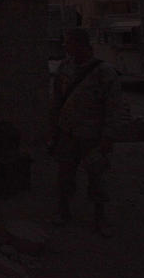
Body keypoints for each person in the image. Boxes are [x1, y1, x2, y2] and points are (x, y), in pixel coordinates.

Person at [49, 28, 121, 237]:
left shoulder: (104, 72)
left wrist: (108, 137)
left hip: (93, 136)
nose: (65, 47)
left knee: (97, 178)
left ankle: (100, 218)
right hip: (68, 133)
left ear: (81, 45)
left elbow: (114, 107)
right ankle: (63, 212)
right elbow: (57, 101)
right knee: (64, 176)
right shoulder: (65, 68)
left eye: (69, 43)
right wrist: (53, 129)